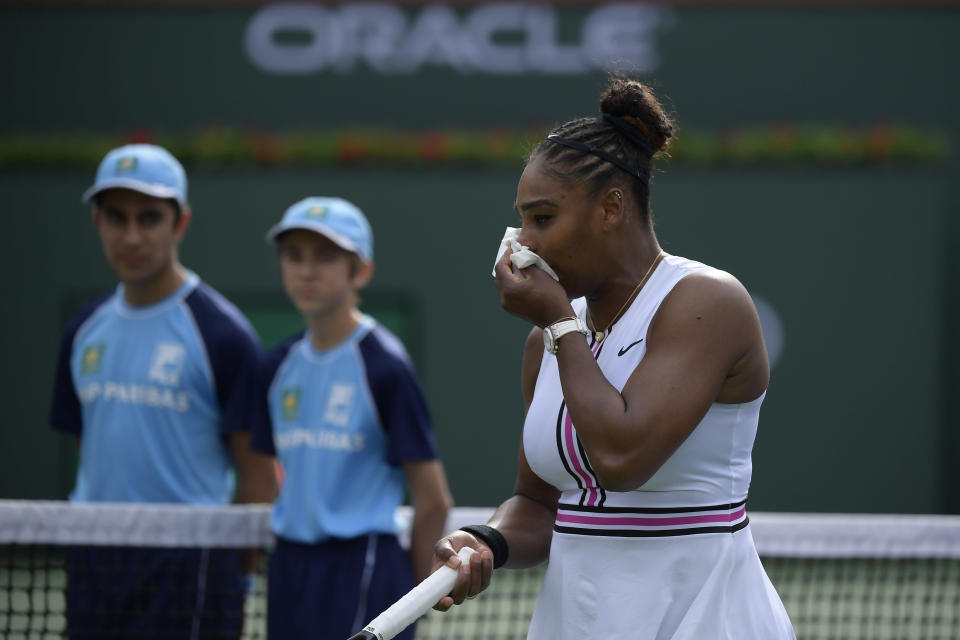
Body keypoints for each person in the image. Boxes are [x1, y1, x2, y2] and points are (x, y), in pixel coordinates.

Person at [431, 77, 796, 639]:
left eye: (543, 218)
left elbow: (621, 461)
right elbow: (539, 503)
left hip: (702, 623)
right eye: (522, 220)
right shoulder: (548, 340)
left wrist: (557, 321)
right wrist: (488, 542)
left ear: (611, 208)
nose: (521, 244)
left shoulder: (707, 301)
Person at [49, 143, 278, 639]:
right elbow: (89, 449)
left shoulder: (223, 334)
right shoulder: (82, 330)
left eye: (149, 218)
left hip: (191, 564)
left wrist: (234, 571)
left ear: (180, 223)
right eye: (116, 217)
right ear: (97, 223)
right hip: (94, 559)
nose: (131, 235)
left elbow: (258, 477)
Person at [251, 196, 453, 640]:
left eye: (325, 256)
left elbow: (433, 499)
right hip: (289, 568)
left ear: (359, 271)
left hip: (361, 565)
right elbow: (266, 472)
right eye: (294, 256)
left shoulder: (385, 366)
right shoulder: (276, 366)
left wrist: (414, 601)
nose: (306, 270)